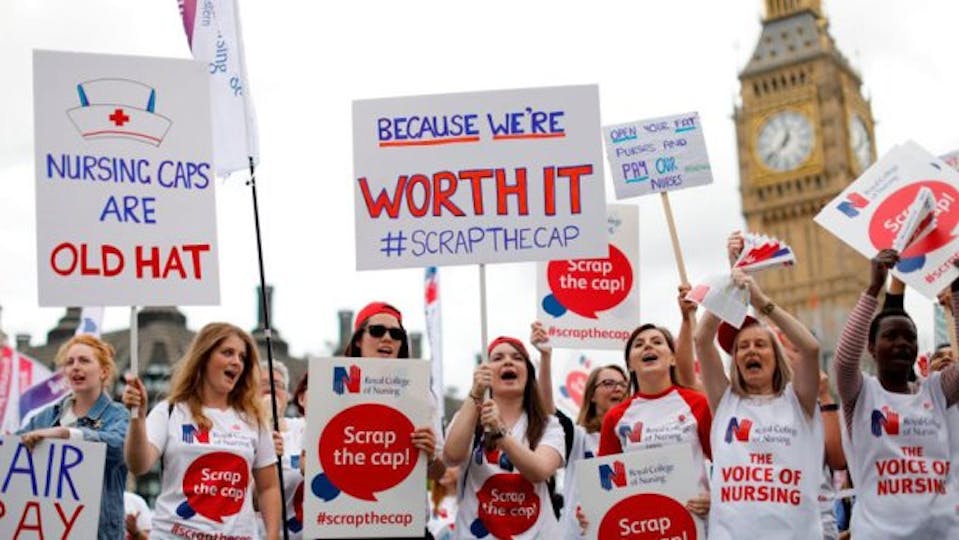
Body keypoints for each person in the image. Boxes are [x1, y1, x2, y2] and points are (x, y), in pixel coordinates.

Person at [695, 258, 824, 538]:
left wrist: (760, 300)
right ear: (736, 360)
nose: (750, 351)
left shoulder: (798, 400)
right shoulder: (726, 401)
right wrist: (730, 286)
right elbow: (702, 338)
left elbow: (811, 348)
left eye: (760, 344)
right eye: (742, 347)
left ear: (776, 357)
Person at [835, 249, 959, 537]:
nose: (902, 343)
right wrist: (873, 289)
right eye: (891, 336)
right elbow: (843, 362)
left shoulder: (936, 391)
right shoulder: (861, 393)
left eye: (910, 337)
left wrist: (957, 289)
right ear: (871, 348)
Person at [122, 322, 281, 540]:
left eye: (242, 357)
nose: (236, 361)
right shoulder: (170, 411)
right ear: (204, 357)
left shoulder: (253, 420)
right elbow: (138, 465)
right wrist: (138, 418)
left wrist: (272, 536)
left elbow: (268, 487)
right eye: (227, 353)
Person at [597, 284, 712, 530]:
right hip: (641, 526)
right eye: (639, 344)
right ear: (629, 364)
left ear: (672, 358)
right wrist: (594, 512)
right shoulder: (615, 417)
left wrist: (715, 498)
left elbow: (727, 463)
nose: (648, 346)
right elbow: (604, 481)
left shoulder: (697, 404)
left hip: (693, 525)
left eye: (657, 342)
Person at [444, 336, 565, 539]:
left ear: (528, 373)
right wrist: (476, 393)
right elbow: (451, 456)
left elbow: (539, 471)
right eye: (498, 358)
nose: (508, 361)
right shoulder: (468, 418)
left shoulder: (548, 424)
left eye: (517, 358)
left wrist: (500, 433)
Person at [18, 334, 129, 540]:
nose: (75, 367)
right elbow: (12, 450)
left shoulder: (118, 415)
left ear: (104, 371)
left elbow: (120, 448)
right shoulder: (47, 416)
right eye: (69, 362)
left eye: (84, 361)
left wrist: (66, 434)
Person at [532, 318, 628, 540]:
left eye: (623, 384)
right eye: (608, 383)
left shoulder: (637, 439)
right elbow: (548, 411)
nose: (618, 388)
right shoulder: (579, 437)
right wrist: (546, 357)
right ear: (592, 396)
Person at [343, 301, 446, 480]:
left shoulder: (421, 395)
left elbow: (439, 473)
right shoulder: (331, 388)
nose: (387, 338)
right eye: (377, 331)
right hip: (348, 505)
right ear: (359, 340)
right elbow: (309, 463)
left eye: (396, 334)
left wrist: (429, 457)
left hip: (403, 507)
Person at [258, 360, 305, 538]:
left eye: (278, 385)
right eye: (263, 384)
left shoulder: (302, 429)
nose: (271, 389)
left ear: (286, 396)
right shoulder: (240, 433)